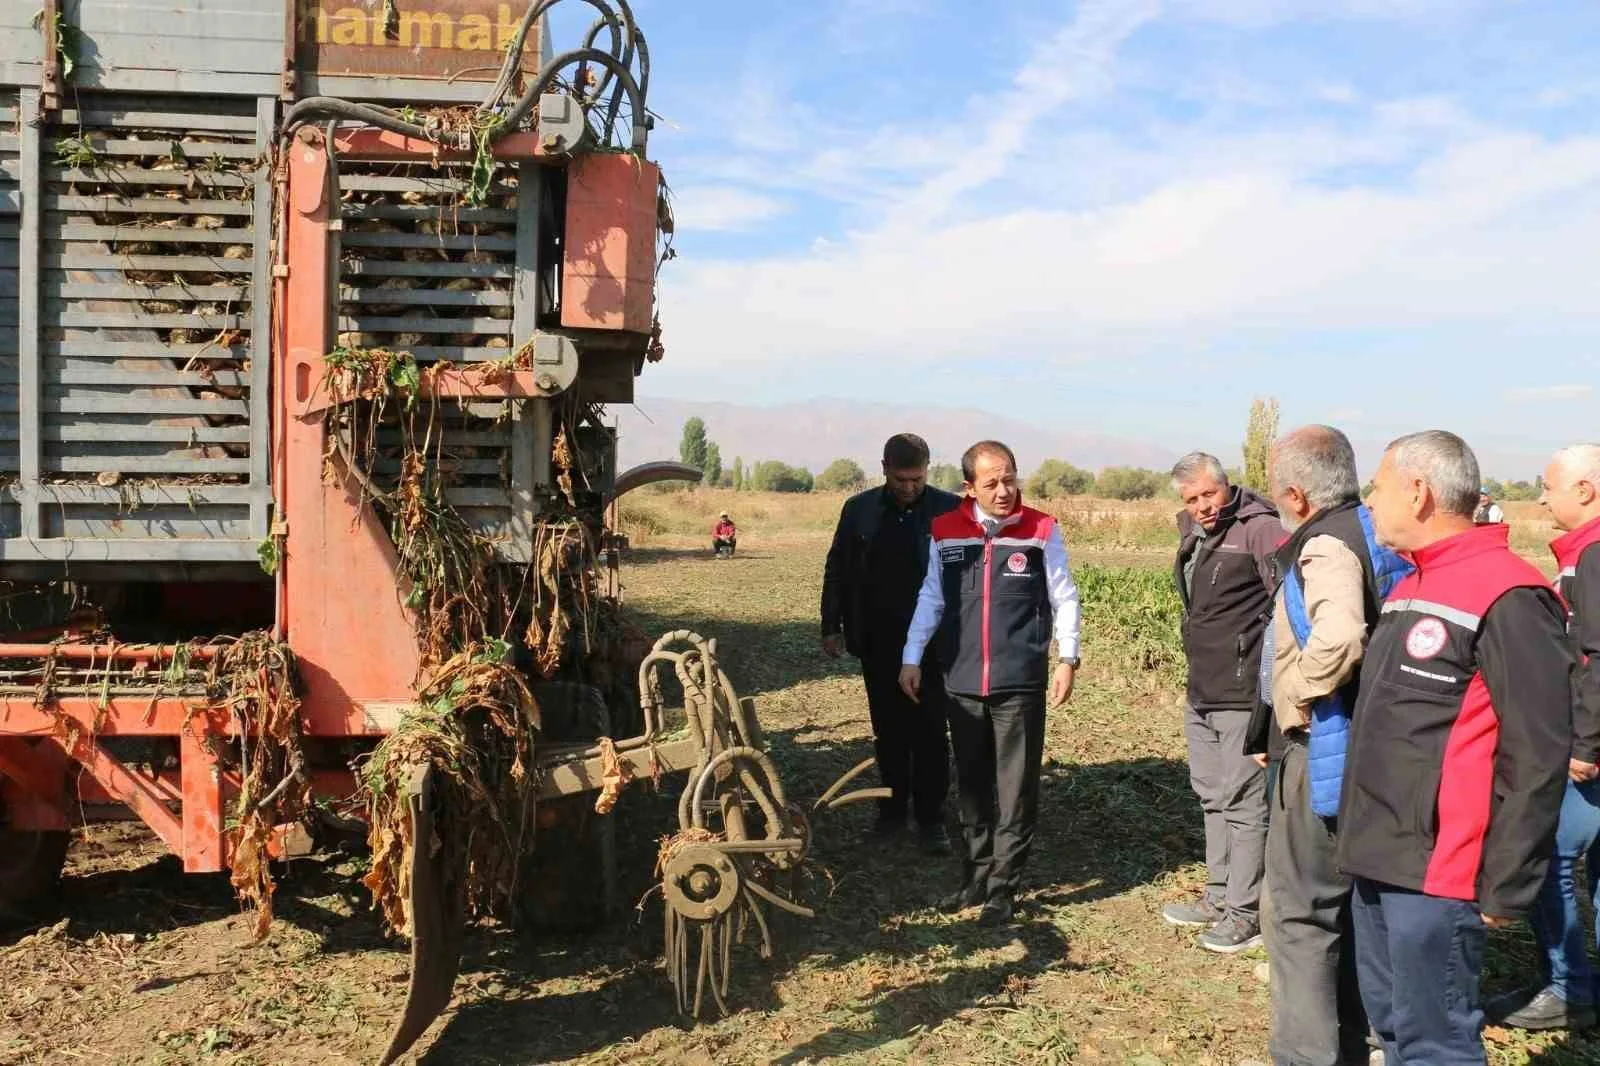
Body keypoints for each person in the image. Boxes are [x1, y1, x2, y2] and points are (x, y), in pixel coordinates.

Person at [1341, 430, 1574, 1065]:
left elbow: (1538, 751)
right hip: (1379, 854)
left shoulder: (1509, 594)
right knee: (1390, 1027)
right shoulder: (1409, 585)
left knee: (1435, 1041)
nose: (1371, 501)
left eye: (1378, 488)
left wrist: (1507, 881)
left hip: (1439, 870)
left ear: (1417, 492)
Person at [1261, 426, 1411, 1066]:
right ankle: (1358, 1036)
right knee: (1353, 909)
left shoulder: (1324, 545)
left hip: (1326, 748)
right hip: (1384, 749)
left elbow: (1341, 634)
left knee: (1299, 915)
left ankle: (1308, 1055)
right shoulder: (1381, 531)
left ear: (1295, 493)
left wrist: (1291, 695)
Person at [898, 440, 1080, 926]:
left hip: (1019, 681)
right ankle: (975, 876)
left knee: (1015, 787)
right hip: (960, 679)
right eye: (991, 483)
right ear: (969, 487)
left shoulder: (1041, 529)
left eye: (1010, 478)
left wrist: (1068, 658)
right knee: (973, 785)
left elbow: (1064, 596)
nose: (1004, 491)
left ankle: (1004, 887)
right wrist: (912, 657)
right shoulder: (945, 530)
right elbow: (931, 598)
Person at [1489, 443, 1600, 1031]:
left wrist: (1585, 743)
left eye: (1549, 487)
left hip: (1590, 751)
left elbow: (1597, 655)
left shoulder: (1593, 556)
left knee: (1550, 855)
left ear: (1585, 490)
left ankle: (1568, 989)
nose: (1540, 497)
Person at [820, 433, 961, 851]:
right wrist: (832, 625)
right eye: (901, 479)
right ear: (884, 469)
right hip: (878, 641)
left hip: (935, 647)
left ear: (928, 471)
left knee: (933, 732)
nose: (909, 487)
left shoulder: (951, 510)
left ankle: (932, 821)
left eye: (917, 479)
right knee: (889, 732)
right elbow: (837, 570)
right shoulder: (858, 511)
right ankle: (892, 814)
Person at [1163, 453, 1279, 954]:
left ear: (1226, 486)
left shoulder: (1260, 529)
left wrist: (1271, 687)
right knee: (1211, 793)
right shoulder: (1194, 531)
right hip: (1202, 687)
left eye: (1208, 494)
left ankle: (1245, 913)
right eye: (1191, 499)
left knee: (1244, 802)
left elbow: (1288, 604)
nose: (1202, 506)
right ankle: (1217, 895)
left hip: (1241, 690)